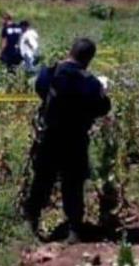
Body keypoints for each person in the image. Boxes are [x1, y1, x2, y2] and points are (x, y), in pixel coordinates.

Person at [23, 38, 111, 242]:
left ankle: (32, 220)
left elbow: (40, 90)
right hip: (76, 139)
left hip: (50, 136)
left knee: (42, 180)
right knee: (73, 184)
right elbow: (102, 108)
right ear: (89, 59)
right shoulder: (91, 82)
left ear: (70, 51)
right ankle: (74, 228)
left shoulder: (50, 72)